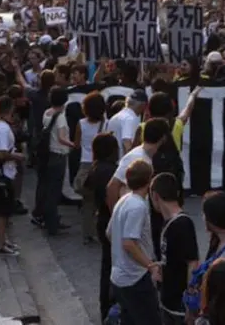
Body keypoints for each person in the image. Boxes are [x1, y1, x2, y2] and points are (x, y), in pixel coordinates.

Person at [107, 159, 162, 325]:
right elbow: (129, 242)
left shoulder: (123, 201)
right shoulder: (138, 206)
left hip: (119, 276)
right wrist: (150, 265)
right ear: (149, 180)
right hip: (135, 278)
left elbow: (109, 232)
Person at [150, 173, 199, 325]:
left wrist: (190, 304)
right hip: (167, 299)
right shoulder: (166, 222)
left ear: (155, 196)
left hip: (179, 305)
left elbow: (193, 263)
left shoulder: (182, 224)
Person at [85, 133, 120, 322]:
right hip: (109, 220)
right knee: (112, 265)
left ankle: (105, 307)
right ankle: (110, 306)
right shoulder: (111, 171)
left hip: (102, 219)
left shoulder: (96, 168)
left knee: (107, 265)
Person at [0, 96, 27, 256]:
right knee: (2, 213)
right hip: (3, 175)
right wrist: (18, 157)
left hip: (4, 174)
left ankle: (3, 240)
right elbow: (1, 153)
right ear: (10, 110)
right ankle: (0, 244)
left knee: (5, 211)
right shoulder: (3, 129)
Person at [106, 118, 170, 211]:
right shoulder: (135, 157)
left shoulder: (148, 157)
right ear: (163, 138)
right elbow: (112, 186)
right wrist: (115, 214)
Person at [73, 91, 107, 243]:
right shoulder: (106, 123)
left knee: (87, 203)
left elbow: (76, 144)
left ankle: (87, 233)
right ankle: (102, 231)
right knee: (103, 201)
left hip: (85, 164)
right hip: (101, 164)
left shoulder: (81, 124)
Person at [40, 87, 74, 236]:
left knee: (49, 189)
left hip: (49, 155)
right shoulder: (60, 117)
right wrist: (73, 144)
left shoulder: (46, 113)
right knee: (55, 191)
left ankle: (49, 220)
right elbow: (61, 138)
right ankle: (52, 224)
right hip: (59, 155)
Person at [106, 90, 147, 158]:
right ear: (143, 105)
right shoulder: (130, 119)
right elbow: (126, 143)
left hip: (113, 161)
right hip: (122, 163)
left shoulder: (117, 116)